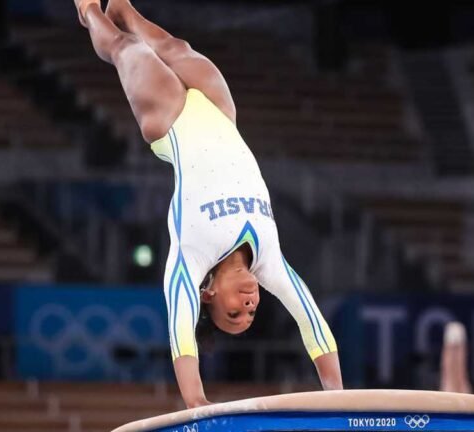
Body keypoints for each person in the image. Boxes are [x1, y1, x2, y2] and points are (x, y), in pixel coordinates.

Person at [73, 0, 342, 408]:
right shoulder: (269, 261)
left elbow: (181, 338)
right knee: (174, 46)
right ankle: (126, 8)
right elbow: (312, 323)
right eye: (251, 314)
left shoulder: (190, 261)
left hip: (170, 120)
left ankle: (88, 10)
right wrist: (339, 398)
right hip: (220, 114)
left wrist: (196, 403)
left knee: (130, 50)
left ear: (210, 295)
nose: (249, 306)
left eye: (235, 313)